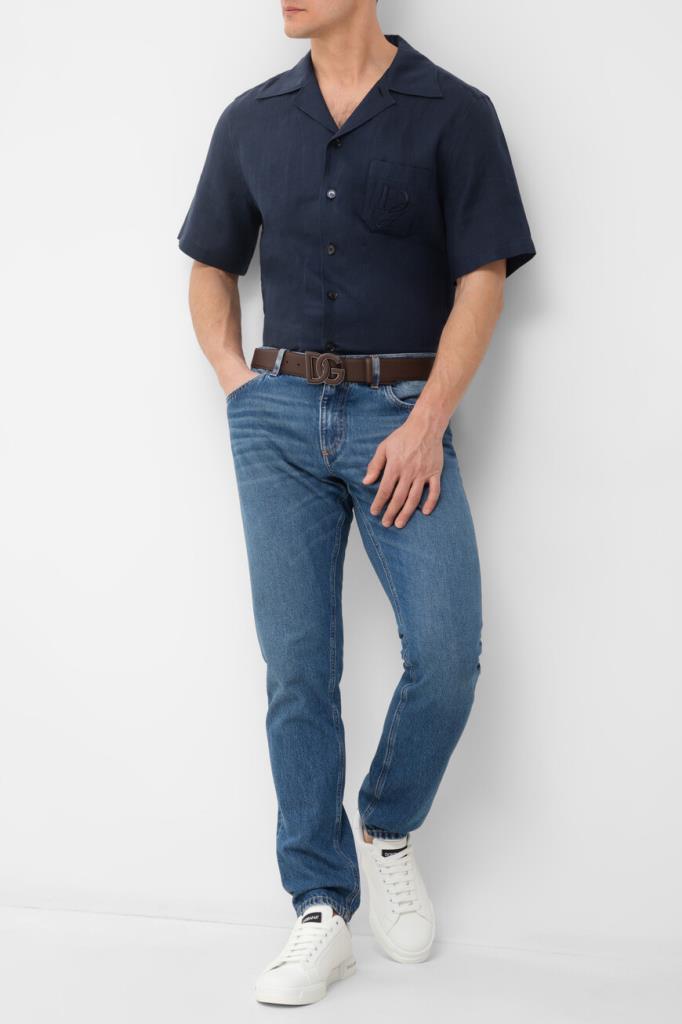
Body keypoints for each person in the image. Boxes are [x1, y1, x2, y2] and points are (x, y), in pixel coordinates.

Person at [177, 0, 535, 1006]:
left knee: (447, 655)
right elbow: (210, 265)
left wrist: (427, 420)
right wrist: (238, 385)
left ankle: (385, 825)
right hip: (277, 418)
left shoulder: (453, 112)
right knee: (297, 670)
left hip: (399, 417)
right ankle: (319, 909)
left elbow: (483, 278)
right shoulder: (252, 120)